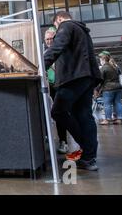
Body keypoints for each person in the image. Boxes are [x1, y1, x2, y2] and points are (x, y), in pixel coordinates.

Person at [44, 11, 102, 171]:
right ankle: (89, 157)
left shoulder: (66, 26)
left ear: (59, 19)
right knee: (84, 115)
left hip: (73, 77)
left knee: (58, 111)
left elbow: (57, 46)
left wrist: (41, 65)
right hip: (87, 77)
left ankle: (86, 146)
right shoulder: (82, 29)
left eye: (55, 25)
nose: (56, 29)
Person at [44, 27, 68, 154]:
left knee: (61, 113)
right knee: (52, 113)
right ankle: (50, 137)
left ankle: (64, 141)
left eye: (51, 38)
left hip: (64, 85)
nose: (49, 41)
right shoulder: (44, 53)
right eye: (47, 39)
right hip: (50, 87)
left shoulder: (63, 52)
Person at [95, 51, 122, 125]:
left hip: (108, 89)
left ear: (103, 59)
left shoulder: (104, 68)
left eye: (100, 58)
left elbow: (100, 80)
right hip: (118, 87)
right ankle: (119, 119)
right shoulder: (115, 66)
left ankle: (107, 119)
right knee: (118, 103)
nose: (100, 60)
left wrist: (97, 89)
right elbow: (119, 74)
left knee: (107, 104)